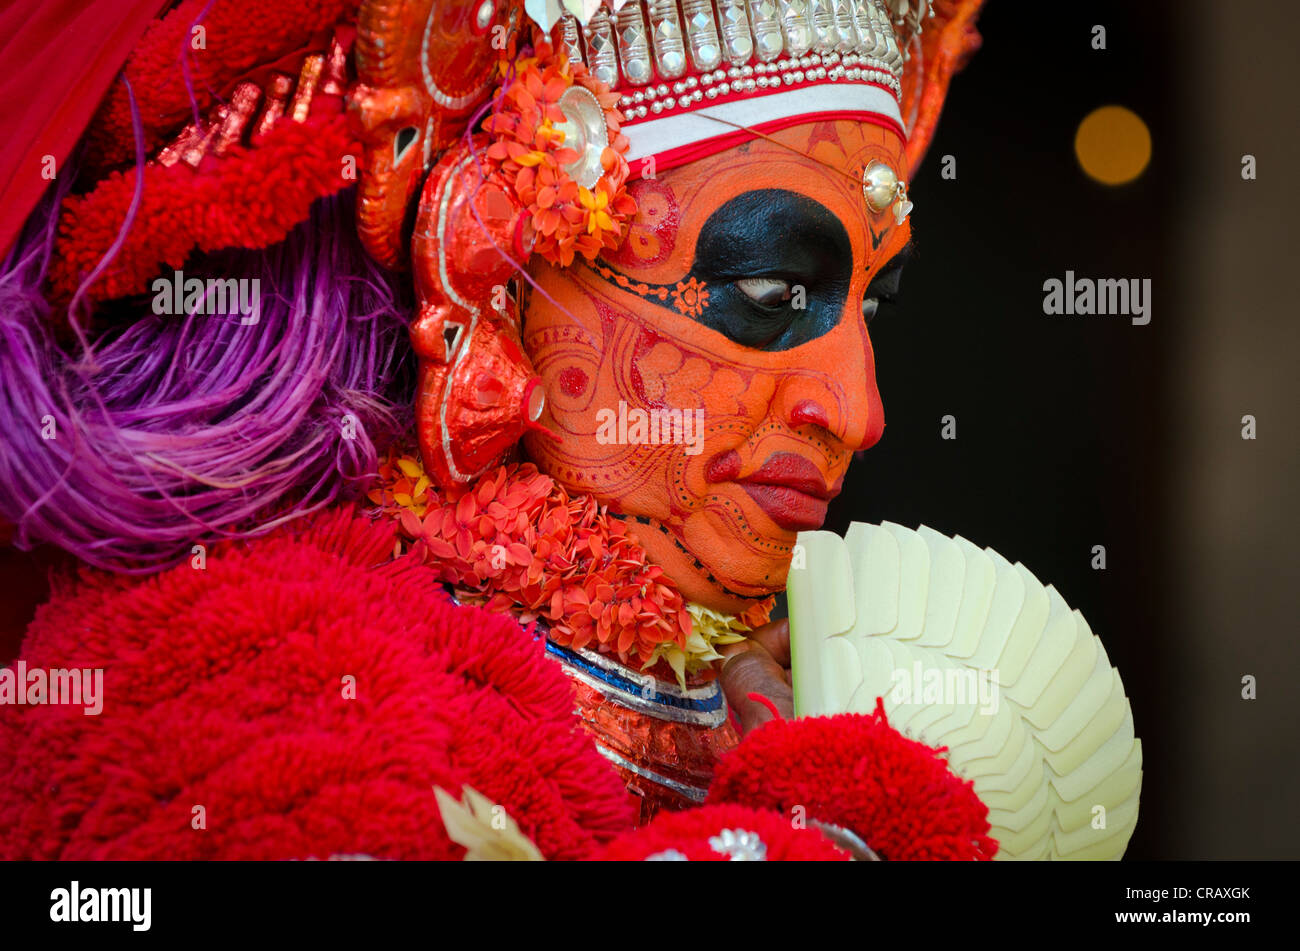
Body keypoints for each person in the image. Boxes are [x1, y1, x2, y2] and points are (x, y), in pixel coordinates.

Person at [0, 0, 1135, 861]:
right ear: (499, 279)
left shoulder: (768, 686)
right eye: (776, 291)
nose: (857, 412)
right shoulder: (250, 681)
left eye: (867, 304)